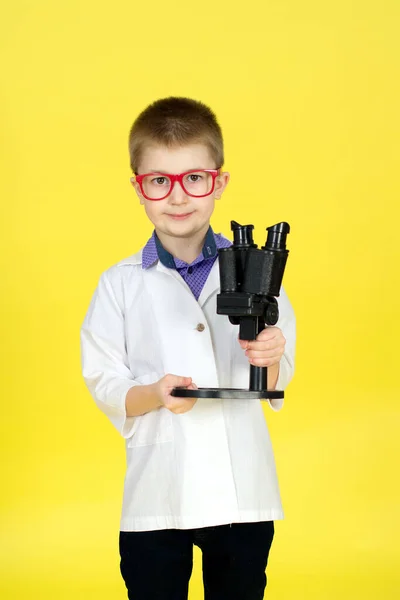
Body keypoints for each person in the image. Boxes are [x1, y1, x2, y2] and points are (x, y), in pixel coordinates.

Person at [80, 96, 296, 600]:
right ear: (139, 189)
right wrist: (154, 393)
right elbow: (105, 382)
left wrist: (272, 354)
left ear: (217, 182)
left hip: (241, 491)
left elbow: (277, 378)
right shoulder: (120, 284)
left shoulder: (264, 277)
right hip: (161, 492)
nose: (178, 197)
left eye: (193, 178)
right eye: (159, 181)